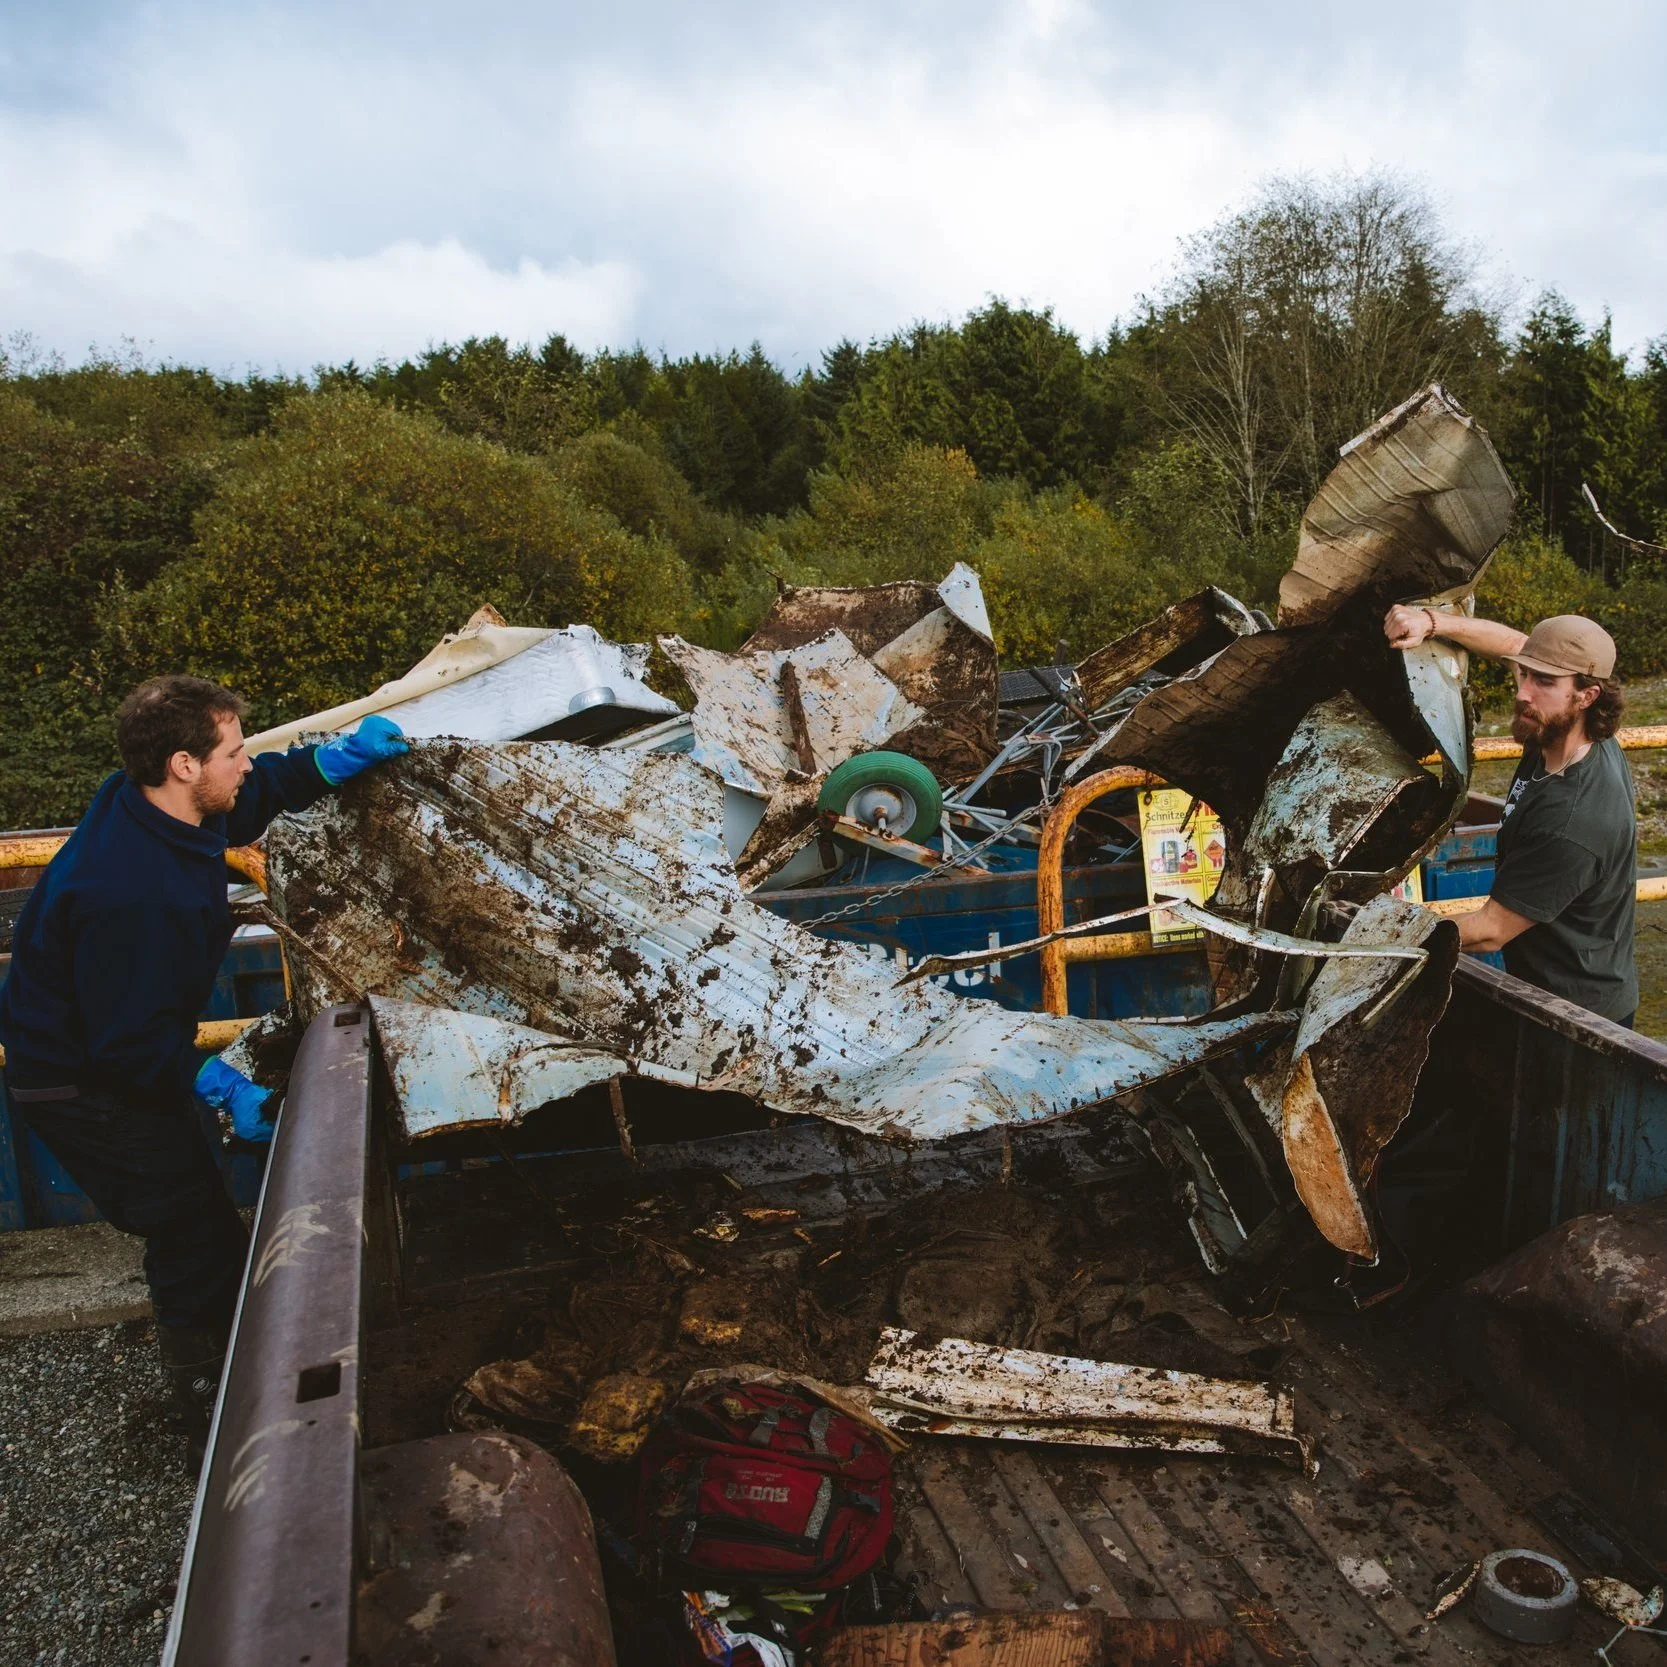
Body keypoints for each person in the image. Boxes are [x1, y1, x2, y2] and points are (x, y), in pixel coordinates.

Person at [0, 676, 408, 1454]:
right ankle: (206, 1420)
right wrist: (215, 1078)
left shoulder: (141, 803)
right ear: (184, 763)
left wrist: (327, 763)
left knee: (198, 1209)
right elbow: (127, 1050)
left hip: (114, 1046)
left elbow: (241, 805)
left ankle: (223, 1375)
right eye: (233, 750)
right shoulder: (134, 894)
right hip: (78, 1078)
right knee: (190, 1231)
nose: (246, 762)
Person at [1384, 607, 1636, 1026]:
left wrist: (1380, 936)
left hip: (1579, 1017)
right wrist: (1432, 622)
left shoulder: (1573, 819)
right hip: (1543, 983)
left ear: (1587, 696)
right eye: (1526, 675)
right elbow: (1514, 645)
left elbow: (1490, 930)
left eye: (1544, 682)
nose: (1524, 692)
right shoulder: (1559, 728)